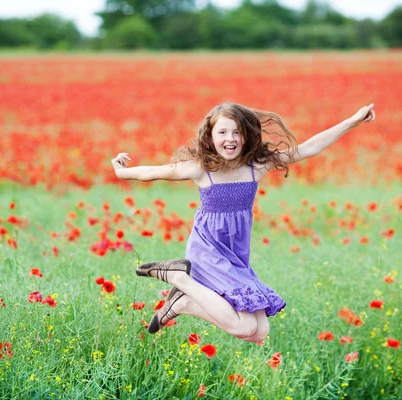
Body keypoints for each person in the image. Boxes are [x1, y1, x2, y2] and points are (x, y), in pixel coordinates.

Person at [111, 102, 376, 342]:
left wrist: (352, 120)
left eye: (236, 132)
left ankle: (183, 303)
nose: (230, 138)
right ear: (210, 137)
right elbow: (153, 172)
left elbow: (307, 148)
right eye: (223, 132)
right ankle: (180, 279)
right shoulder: (201, 169)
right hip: (208, 250)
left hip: (236, 255)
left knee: (259, 332)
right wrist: (122, 172)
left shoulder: (256, 166)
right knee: (243, 328)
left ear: (246, 135)